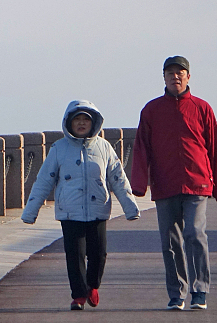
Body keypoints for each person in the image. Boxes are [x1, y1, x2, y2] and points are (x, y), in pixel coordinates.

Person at [131, 55, 217, 310]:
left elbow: (215, 149)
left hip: (197, 184)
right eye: (170, 73)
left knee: (195, 234)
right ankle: (177, 293)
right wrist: (139, 185)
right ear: (163, 77)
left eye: (180, 72)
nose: (175, 77)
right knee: (170, 242)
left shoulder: (202, 108)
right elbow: (141, 149)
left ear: (188, 77)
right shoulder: (151, 110)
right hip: (165, 185)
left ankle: (200, 290)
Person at [22, 100, 140, 310]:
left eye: (86, 119)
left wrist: (130, 207)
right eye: (77, 119)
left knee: (98, 253)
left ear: (94, 122)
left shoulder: (104, 147)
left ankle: (92, 285)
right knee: (74, 255)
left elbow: (117, 178)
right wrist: (31, 212)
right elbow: (44, 180)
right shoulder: (59, 148)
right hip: (70, 211)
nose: (82, 123)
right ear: (69, 123)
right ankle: (78, 295)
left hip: (98, 209)